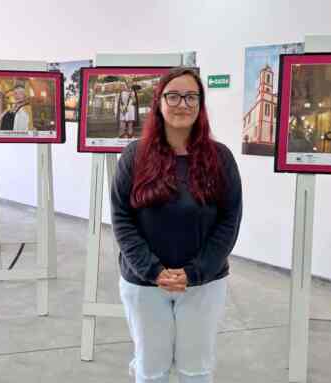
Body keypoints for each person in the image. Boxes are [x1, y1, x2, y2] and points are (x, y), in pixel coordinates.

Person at [111, 67, 242, 383]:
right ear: (159, 103)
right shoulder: (135, 156)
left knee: (195, 370)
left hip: (204, 285)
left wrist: (196, 272)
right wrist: (153, 271)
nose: (182, 104)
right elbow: (122, 219)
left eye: (191, 96)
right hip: (144, 285)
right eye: (173, 96)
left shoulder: (220, 158)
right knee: (150, 369)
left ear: (200, 104)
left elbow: (229, 221)